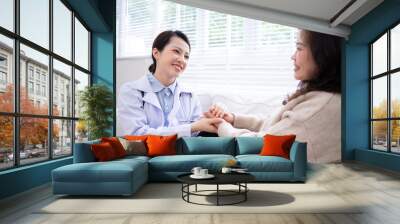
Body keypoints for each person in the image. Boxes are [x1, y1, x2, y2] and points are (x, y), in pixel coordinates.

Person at [205, 30, 342, 163]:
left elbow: (259, 143)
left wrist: (223, 126)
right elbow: (276, 126)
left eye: (299, 48)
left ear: (324, 54)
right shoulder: (322, 96)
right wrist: (234, 119)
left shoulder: (319, 106)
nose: (293, 56)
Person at [118, 30, 222, 137]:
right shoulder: (131, 90)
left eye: (186, 56)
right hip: (146, 153)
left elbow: (195, 135)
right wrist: (192, 127)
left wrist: (211, 120)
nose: (182, 60)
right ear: (156, 53)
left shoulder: (190, 96)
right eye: (176, 51)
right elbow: (137, 134)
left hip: (183, 153)